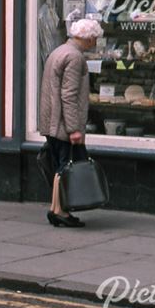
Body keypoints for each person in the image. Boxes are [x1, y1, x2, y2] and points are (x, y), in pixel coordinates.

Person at [38, 18, 103, 228]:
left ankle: (56, 208)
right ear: (88, 38)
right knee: (64, 167)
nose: (94, 43)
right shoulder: (75, 58)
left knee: (60, 166)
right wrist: (74, 129)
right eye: (94, 39)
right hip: (63, 124)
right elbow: (69, 95)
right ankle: (60, 211)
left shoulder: (59, 51)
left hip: (52, 121)